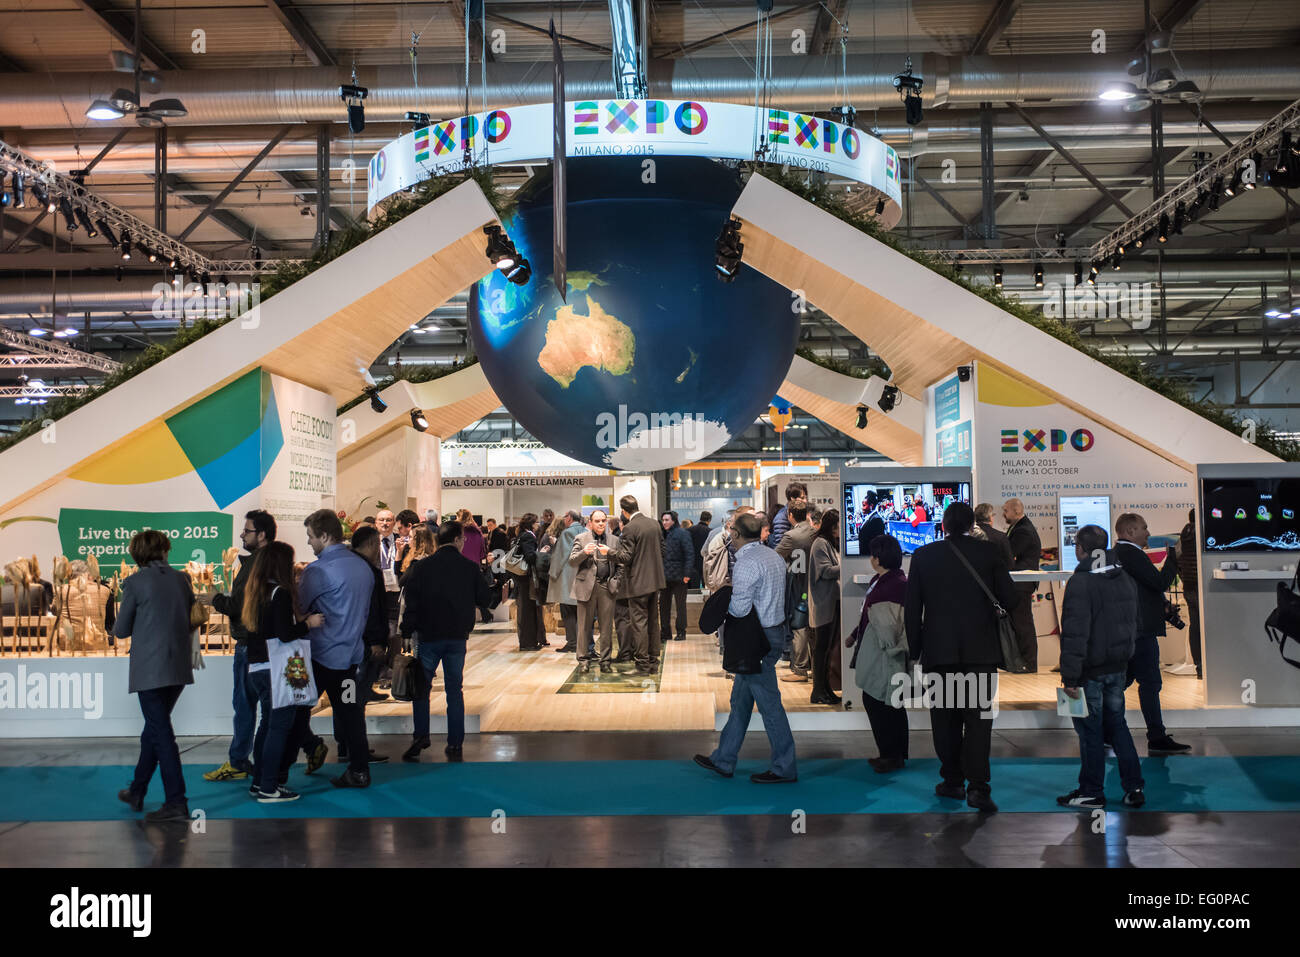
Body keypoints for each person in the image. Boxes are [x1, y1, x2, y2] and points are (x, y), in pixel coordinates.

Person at [905, 502, 1018, 814]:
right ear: (972, 525)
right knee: (979, 720)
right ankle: (979, 788)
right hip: (981, 652)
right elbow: (1010, 598)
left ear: (943, 525)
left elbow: (913, 609)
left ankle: (952, 780)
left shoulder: (924, 556)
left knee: (945, 719)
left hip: (939, 652)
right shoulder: (990, 553)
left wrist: (914, 651)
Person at [693, 512, 797, 783]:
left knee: (770, 705)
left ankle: (784, 767)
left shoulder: (746, 562)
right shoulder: (773, 556)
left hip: (755, 641)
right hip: (773, 633)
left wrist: (725, 594)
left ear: (736, 535)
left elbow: (739, 609)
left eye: (731, 533)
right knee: (739, 701)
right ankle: (724, 759)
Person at [1056, 525, 1146, 809]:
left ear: (1080, 549)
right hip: (1116, 667)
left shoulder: (1081, 582)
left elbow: (1075, 634)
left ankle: (1092, 791)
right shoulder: (1124, 577)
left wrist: (1069, 676)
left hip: (1089, 672)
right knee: (1118, 726)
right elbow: (1134, 624)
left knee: (1090, 731)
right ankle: (1134, 788)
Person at [114, 530, 196, 823]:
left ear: (137, 554)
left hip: (150, 669)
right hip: (177, 667)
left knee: (161, 735)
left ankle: (176, 801)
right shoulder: (181, 579)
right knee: (155, 730)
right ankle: (137, 790)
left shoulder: (134, 583)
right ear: (164, 550)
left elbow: (121, 630)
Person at [400, 520, 492, 762]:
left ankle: (421, 736)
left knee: (422, 689)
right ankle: (455, 743)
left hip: (428, 636)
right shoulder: (469, 568)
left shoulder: (421, 567)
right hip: (456, 637)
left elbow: (412, 604)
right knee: (454, 690)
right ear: (459, 539)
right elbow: (486, 597)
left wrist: (406, 632)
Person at [241, 541, 323, 802]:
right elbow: (285, 634)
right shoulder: (280, 593)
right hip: (276, 668)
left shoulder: (255, 592)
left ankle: (259, 782)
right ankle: (268, 786)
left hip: (257, 667)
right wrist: (308, 623)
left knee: (266, 725)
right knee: (278, 728)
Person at [299, 508, 376, 787]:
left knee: (294, 712)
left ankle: (279, 773)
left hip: (320, 659)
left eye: (310, 536)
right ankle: (359, 770)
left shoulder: (318, 571)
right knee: (351, 715)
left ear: (324, 535)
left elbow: (299, 610)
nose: (309, 542)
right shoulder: (362, 567)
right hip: (349, 659)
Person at [204, 509, 276, 782]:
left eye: (246, 531)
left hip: (250, 645)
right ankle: (268, 759)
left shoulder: (256, 566)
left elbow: (239, 606)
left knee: (246, 705)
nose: (241, 535)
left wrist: (215, 599)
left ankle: (241, 762)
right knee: (266, 708)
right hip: (265, 645)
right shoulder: (270, 563)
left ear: (262, 534)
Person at [1113, 512, 1191, 755]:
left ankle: (1109, 730)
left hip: (1134, 628)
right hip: (1140, 630)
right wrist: (1172, 558)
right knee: (1149, 683)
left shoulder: (1123, 554)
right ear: (1129, 532)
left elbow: (1144, 588)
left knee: (1124, 681)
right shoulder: (1129, 553)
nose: (1148, 532)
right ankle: (1155, 737)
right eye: (1144, 528)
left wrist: (1161, 604)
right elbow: (1158, 582)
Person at [847, 533, 909, 772]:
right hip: (877, 649)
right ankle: (895, 754)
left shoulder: (894, 585)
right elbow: (870, 615)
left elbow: (891, 623)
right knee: (886, 701)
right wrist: (854, 635)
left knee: (881, 701)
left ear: (877, 558)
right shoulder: (884, 581)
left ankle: (891, 755)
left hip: (886, 652)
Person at [608, 495, 666, 675]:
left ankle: (642, 664)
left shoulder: (630, 528)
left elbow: (625, 557)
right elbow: (663, 550)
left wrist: (608, 552)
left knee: (639, 623)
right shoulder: (654, 524)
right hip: (655, 581)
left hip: (637, 584)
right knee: (653, 622)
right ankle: (653, 662)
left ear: (624, 511)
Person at [350, 525, 398, 726]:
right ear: (371, 544)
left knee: (350, 695)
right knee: (355, 697)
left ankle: (346, 743)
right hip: (365, 643)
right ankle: (354, 745)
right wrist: (376, 641)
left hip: (349, 642)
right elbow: (372, 608)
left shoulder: (349, 567)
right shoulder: (368, 571)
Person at [569, 510, 619, 673]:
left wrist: (615, 581)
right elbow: (572, 561)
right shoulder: (581, 538)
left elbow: (621, 563)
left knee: (606, 627)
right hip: (586, 587)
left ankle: (605, 661)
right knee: (584, 626)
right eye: (597, 521)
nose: (600, 524)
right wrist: (585, 552)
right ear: (590, 522)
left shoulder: (614, 540)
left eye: (603, 521)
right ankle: (583, 660)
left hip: (606, 587)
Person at [776, 503, 816, 682]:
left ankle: (800, 669)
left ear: (790, 515)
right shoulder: (817, 533)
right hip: (818, 586)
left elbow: (775, 557)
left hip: (798, 586)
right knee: (815, 627)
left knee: (799, 626)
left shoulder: (791, 536)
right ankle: (815, 668)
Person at [1002, 498, 1042, 673]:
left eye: (1006, 511)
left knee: (1022, 623)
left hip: (1022, 584)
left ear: (1016, 511)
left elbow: (1009, 554)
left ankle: (1029, 662)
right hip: (1020, 583)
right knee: (1020, 622)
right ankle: (1023, 661)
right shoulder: (1020, 527)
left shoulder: (1023, 531)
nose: (1004, 514)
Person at [808, 508, 842, 705]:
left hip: (830, 602)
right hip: (823, 604)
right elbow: (826, 571)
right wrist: (846, 565)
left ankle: (825, 689)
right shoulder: (820, 544)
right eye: (836, 527)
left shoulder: (829, 543)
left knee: (827, 649)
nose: (838, 531)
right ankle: (818, 691)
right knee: (821, 649)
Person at [548, 510, 585, 653]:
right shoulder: (586, 530)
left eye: (565, 516)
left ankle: (572, 642)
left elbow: (561, 555)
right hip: (583, 577)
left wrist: (552, 573)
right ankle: (582, 642)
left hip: (568, 578)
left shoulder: (567, 533)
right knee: (581, 613)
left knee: (567, 611)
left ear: (569, 518)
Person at [511, 513, 549, 651]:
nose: (538, 524)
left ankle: (528, 641)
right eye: (536, 522)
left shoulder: (521, 535)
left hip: (521, 578)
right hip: (526, 579)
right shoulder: (528, 536)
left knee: (526, 609)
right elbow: (530, 556)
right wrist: (542, 553)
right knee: (527, 610)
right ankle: (528, 643)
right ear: (531, 523)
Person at [658, 510, 694, 643]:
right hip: (664, 576)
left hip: (679, 576)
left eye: (667, 520)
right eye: (663, 520)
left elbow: (689, 554)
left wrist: (687, 574)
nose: (664, 522)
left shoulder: (683, 534)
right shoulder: (662, 534)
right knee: (663, 606)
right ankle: (665, 632)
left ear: (674, 520)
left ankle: (681, 631)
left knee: (680, 606)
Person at [1178, 509, 1202, 680]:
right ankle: (1208, 664)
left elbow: (1177, 559)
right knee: (1206, 626)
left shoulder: (1184, 536)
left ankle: (1199, 666)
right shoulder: (1202, 534)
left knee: (1195, 626)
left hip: (1189, 586)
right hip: (1201, 586)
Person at [768, 481, 807, 550]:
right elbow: (780, 546)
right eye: (802, 498)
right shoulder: (782, 517)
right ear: (792, 498)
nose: (805, 501)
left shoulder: (801, 513)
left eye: (805, 498)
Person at [973, 503, 1013, 568]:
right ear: (990, 517)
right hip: (995, 575)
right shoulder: (1001, 537)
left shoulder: (969, 536)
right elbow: (1010, 563)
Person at [688, 511, 712, 590]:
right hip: (705, 561)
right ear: (709, 520)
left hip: (692, 562)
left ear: (700, 518)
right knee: (707, 587)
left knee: (693, 588)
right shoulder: (710, 532)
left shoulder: (690, 530)